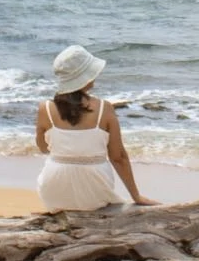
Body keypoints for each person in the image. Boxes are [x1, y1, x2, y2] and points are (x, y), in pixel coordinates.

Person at [34, 45, 158, 210]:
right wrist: (136, 196)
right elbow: (118, 157)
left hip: (54, 190)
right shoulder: (104, 109)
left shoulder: (45, 109)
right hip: (94, 191)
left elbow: (43, 148)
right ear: (85, 77)